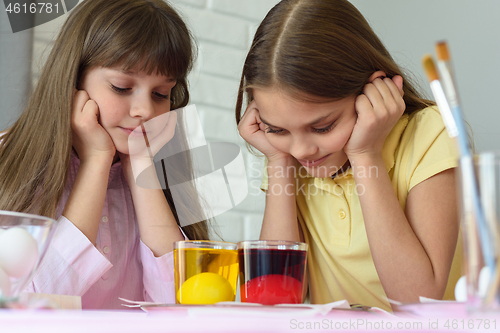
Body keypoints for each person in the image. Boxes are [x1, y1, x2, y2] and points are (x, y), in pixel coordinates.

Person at [236, 0, 462, 311]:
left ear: (372, 93)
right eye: (278, 129)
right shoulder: (288, 157)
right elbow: (274, 298)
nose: (301, 149)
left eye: (323, 126)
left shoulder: (429, 133)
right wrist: (278, 162)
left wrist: (365, 155)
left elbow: (417, 302)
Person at [0, 0, 211, 309]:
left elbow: (184, 310)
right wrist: (96, 162)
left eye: (160, 94)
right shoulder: (10, 157)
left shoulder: (161, 172)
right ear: (74, 80)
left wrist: (140, 166)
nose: (145, 111)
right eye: (121, 87)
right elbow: (30, 307)